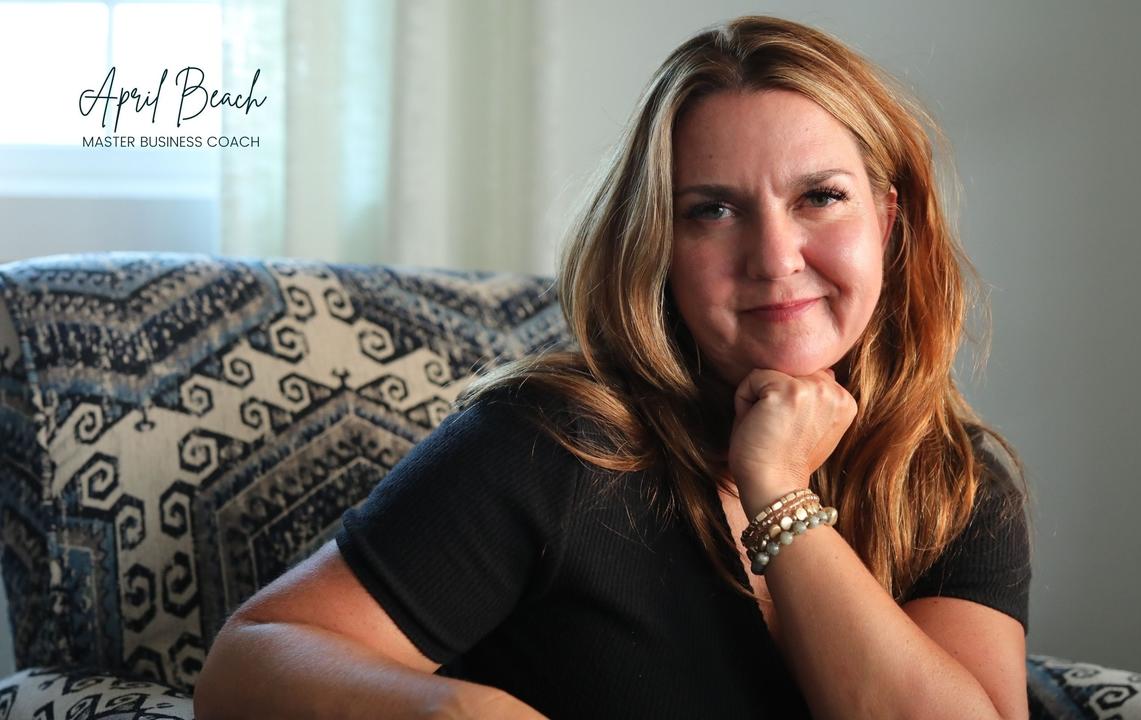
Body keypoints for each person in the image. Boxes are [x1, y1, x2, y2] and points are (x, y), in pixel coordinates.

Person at [195, 14, 1031, 720]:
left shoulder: (952, 483)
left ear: (886, 220)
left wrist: (778, 493)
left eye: (820, 197)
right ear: (660, 245)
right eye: (713, 209)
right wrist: (460, 711)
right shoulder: (556, 444)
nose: (775, 257)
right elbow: (249, 661)